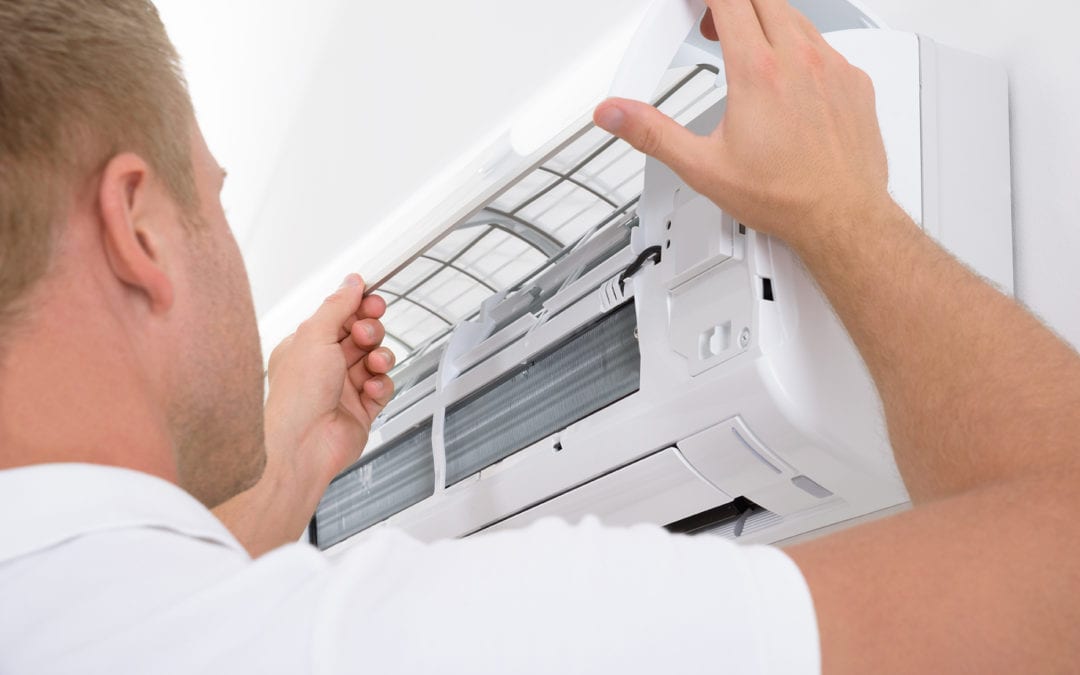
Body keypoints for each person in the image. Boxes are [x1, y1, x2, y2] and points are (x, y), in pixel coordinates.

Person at [0, 0, 1076, 672]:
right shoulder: (408, 640)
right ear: (137, 227)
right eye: (215, 203)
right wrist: (846, 214)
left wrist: (284, 486)